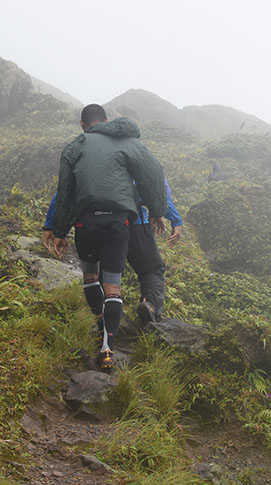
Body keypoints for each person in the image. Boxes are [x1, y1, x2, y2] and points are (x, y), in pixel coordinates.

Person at [51, 103, 167, 370]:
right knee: (113, 287)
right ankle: (107, 349)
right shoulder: (127, 141)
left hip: (85, 222)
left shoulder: (75, 145)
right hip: (118, 222)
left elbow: (65, 190)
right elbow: (153, 170)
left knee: (92, 278)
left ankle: (101, 323)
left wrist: (59, 230)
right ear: (106, 120)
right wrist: (157, 210)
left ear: (83, 124)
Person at [43, 177, 183, 325]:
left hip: (97, 223)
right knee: (150, 269)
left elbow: (64, 191)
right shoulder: (137, 156)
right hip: (136, 221)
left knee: (107, 272)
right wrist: (172, 218)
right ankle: (150, 305)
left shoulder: (87, 158)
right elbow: (158, 188)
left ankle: (109, 319)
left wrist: (51, 225)